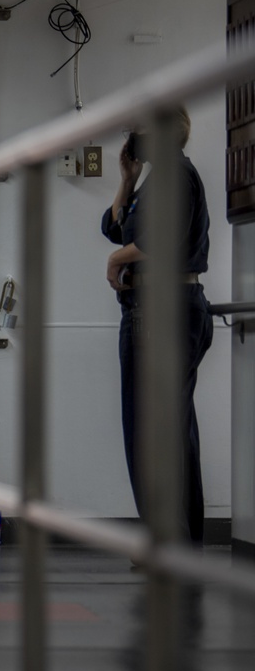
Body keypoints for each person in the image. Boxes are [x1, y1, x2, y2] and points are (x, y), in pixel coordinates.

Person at [101, 105, 213, 546]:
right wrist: (127, 180)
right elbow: (115, 228)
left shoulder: (175, 176)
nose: (132, 133)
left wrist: (117, 259)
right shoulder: (157, 178)